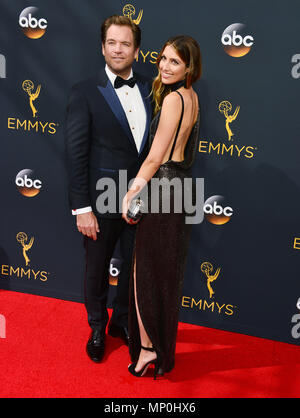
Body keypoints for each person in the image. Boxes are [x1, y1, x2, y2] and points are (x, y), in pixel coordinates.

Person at [65, 15, 152, 363]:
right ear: (102, 47)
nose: (118, 49)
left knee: (134, 267)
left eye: (125, 43)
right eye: (112, 43)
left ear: (137, 49)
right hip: (100, 198)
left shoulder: (152, 88)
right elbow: (75, 152)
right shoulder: (84, 91)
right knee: (97, 269)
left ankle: (123, 322)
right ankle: (97, 328)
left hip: (142, 198)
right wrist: (81, 207)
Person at [122, 35, 201, 378]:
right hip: (181, 189)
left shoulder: (172, 101)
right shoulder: (192, 98)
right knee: (165, 274)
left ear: (189, 68)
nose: (165, 66)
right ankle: (160, 348)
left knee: (145, 276)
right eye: (163, 59)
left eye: (174, 62)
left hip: (164, 189)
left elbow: (155, 157)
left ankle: (150, 350)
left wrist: (131, 192)